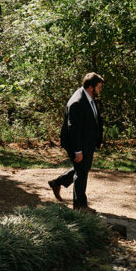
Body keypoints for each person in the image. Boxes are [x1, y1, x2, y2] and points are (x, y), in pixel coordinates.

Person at [48, 73, 105, 211]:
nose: (100, 90)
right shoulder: (77, 102)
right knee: (81, 173)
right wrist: (77, 151)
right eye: (99, 87)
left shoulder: (88, 96)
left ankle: (57, 183)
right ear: (91, 87)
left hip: (87, 142)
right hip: (78, 143)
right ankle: (80, 206)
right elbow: (73, 129)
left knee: (82, 168)